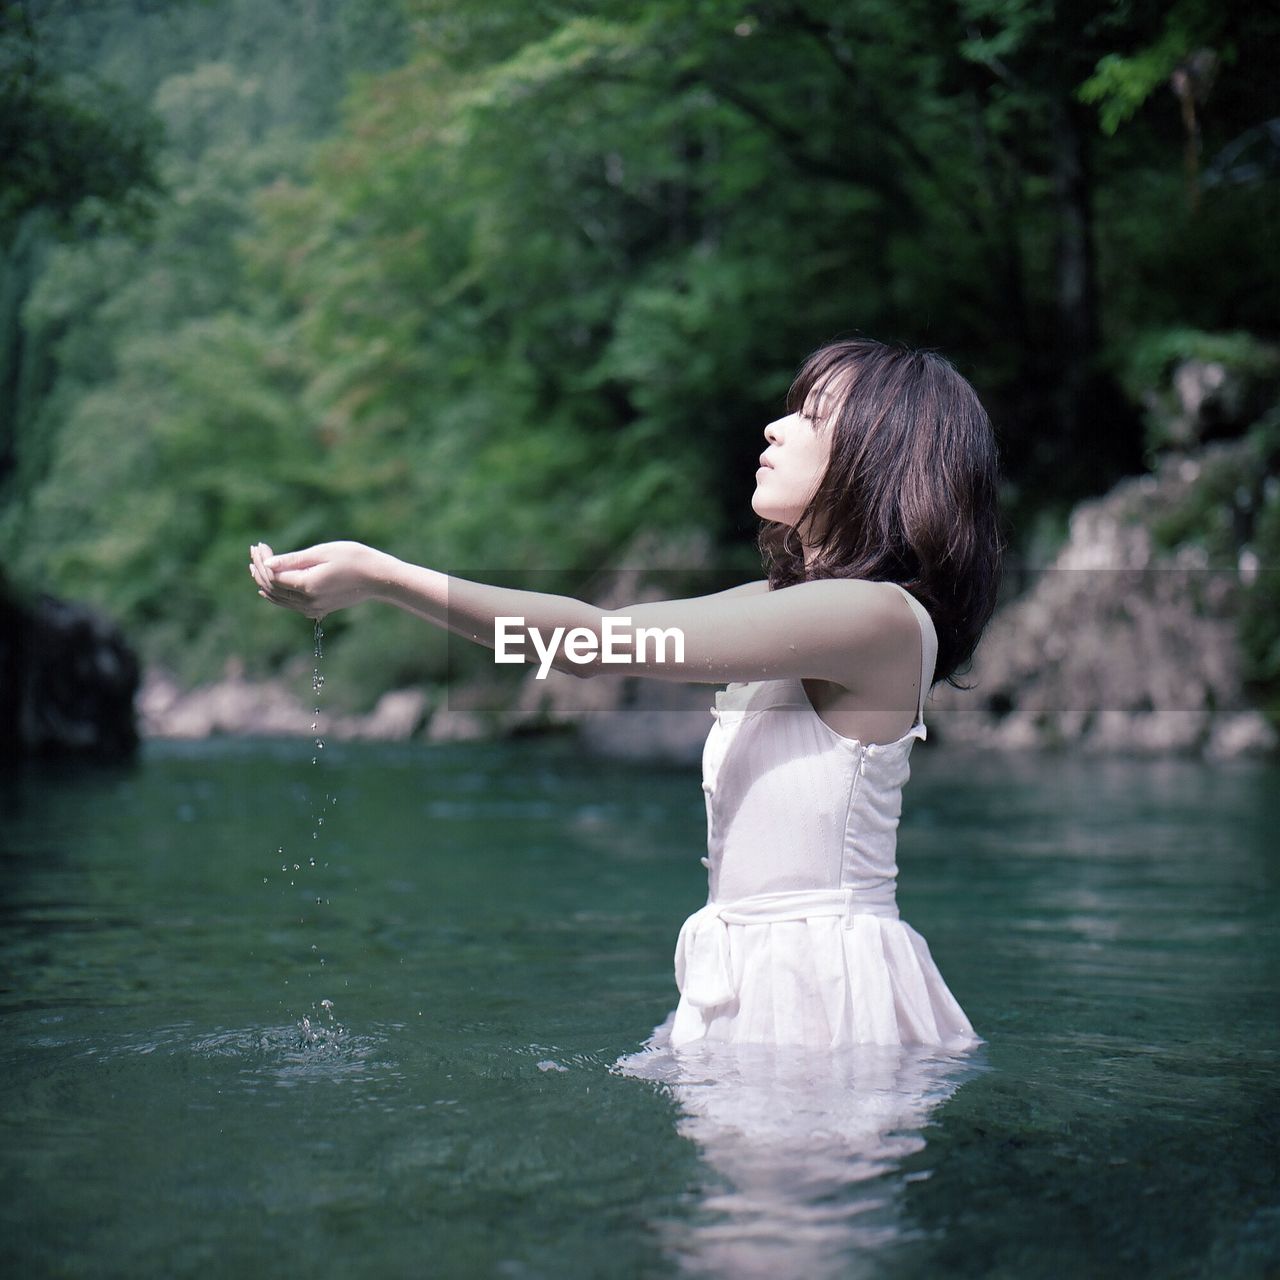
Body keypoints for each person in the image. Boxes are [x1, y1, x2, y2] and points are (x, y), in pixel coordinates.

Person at [249, 336, 1002, 1051]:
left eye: (809, 416)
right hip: (758, 975)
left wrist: (384, 577)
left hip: (817, 990)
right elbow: (596, 637)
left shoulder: (872, 617)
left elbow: (589, 649)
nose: (772, 429)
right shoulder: (799, 608)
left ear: (879, 457)